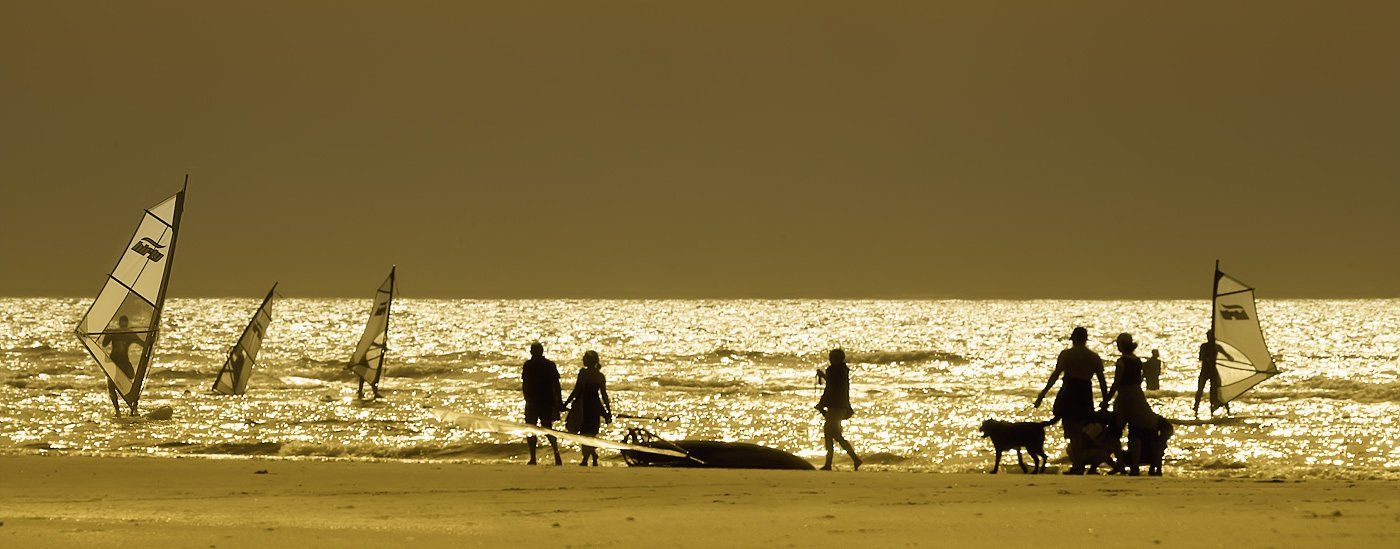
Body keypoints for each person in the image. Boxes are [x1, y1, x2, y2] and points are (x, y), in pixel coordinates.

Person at [1034, 326, 1107, 473]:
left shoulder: (1066, 355)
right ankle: (1081, 463)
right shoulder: (1093, 357)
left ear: (1073, 339)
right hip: (1085, 393)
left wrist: (1043, 394)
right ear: (1085, 339)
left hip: (1069, 392)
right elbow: (1102, 380)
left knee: (1073, 431)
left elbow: (1055, 375)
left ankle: (1078, 465)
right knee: (1081, 430)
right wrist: (1105, 399)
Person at [1100, 332, 1157, 476]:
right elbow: (1140, 379)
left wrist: (1107, 399)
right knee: (1135, 432)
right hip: (1138, 396)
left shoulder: (1121, 362)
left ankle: (1120, 463)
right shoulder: (1137, 361)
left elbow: (1117, 382)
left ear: (1121, 345)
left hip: (1125, 397)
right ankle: (1134, 467)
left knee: (1114, 433)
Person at [563, 350, 613, 466]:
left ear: (590, 361)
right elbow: (604, 395)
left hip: (584, 406)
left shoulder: (583, 373)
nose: (583, 360)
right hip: (595, 406)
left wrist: (566, 404)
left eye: (585, 358)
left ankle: (587, 458)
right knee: (590, 433)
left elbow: (577, 390)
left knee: (584, 433)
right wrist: (608, 411)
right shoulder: (600, 376)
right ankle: (592, 456)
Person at [815, 349, 861, 471]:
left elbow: (830, 388)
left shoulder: (833, 370)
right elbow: (834, 384)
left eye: (831, 358)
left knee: (829, 433)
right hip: (842, 406)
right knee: (835, 434)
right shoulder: (843, 370)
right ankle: (854, 459)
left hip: (835, 407)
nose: (830, 360)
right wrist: (824, 376)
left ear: (835, 359)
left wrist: (821, 404)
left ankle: (829, 464)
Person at [521, 342, 563, 465]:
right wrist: (558, 402)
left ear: (532, 352)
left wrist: (527, 399)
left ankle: (533, 457)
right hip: (546, 401)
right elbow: (556, 385)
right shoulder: (549, 365)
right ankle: (556, 454)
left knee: (531, 428)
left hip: (534, 401)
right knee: (547, 428)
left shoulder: (528, 365)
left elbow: (525, 384)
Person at [100, 315, 146, 416]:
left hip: (124, 362)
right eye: (122, 323)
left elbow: (143, 344)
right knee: (111, 387)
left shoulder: (130, 334)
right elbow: (104, 344)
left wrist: (150, 338)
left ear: (127, 324)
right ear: (120, 324)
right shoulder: (115, 333)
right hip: (114, 362)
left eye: (125, 323)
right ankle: (117, 411)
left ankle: (134, 407)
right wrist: (107, 334)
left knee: (130, 383)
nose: (123, 325)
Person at [1194, 330, 1229, 418]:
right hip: (1205, 371)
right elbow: (1201, 358)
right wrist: (1208, 358)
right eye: (1208, 336)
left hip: (1213, 371)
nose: (1209, 338)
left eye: (1211, 336)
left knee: (1217, 390)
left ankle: (1227, 411)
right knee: (1200, 390)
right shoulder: (1204, 346)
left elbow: (1227, 356)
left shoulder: (1217, 346)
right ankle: (1196, 409)